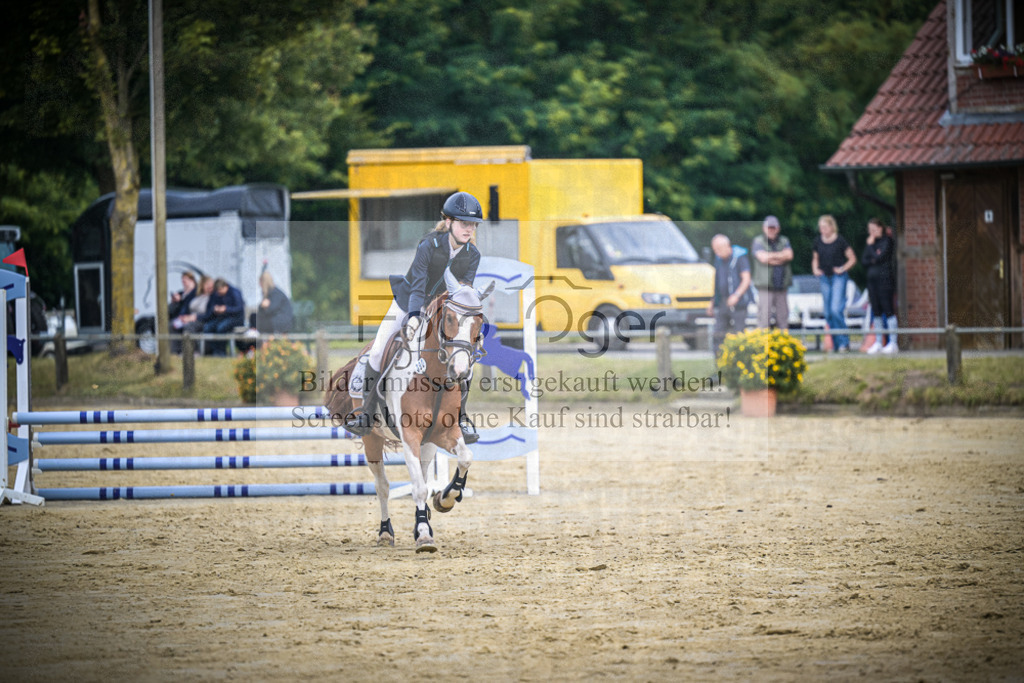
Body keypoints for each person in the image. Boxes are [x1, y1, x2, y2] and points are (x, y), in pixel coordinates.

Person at [345, 191, 483, 443]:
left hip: (442, 312)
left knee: (466, 360)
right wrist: (414, 316)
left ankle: (461, 416)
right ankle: (366, 413)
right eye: (464, 223)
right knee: (377, 352)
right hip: (408, 302)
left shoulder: (472, 255)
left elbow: (462, 293)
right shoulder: (428, 245)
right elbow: (418, 287)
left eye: (473, 224)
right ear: (449, 222)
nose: (469, 229)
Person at [812, 214, 857, 353]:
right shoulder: (818, 241)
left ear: (832, 227)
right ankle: (837, 345)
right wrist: (815, 269)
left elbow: (852, 258)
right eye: (821, 227)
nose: (822, 230)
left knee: (836, 310)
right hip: (825, 278)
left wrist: (842, 268)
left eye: (825, 227)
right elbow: (815, 258)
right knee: (828, 313)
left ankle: (844, 342)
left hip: (839, 277)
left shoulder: (840, 240)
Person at [706, 234, 751, 355]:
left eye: (718, 249)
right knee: (718, 334)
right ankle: (719, 366)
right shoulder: (719, 260)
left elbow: (746, 279)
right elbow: (716, 282)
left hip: (739, 303)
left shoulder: (740, 257)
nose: (717, 253)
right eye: (715, 250)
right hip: (722, 303)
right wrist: (712, 302)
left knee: (739, 335)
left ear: (727, 246)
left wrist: (736, 295)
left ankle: (740, 365)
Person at [750, 215, 794, 330]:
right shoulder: (758, 241)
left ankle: (783, 344)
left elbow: (789, 255)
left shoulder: (784, 240)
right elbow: (763, 258)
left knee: (783, 317)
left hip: (781, 285)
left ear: (778, 228)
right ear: (764, 228)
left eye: (773, 227)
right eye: (769, 227)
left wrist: (770, 257)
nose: (771, 230)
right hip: (766, 286)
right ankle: (763, 343)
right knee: (764, 317)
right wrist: (781, 256)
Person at [861, 218, 898, 354]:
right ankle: (878, 342)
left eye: (874, 229)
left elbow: (880, 257)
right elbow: (864, 261)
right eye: (870, 230)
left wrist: (871, 248)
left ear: (881, 228)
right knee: (875, 311)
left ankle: (893, 342)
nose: (872, 232)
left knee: (888, 309)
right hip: (872, 282)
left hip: (885, 280)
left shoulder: (887, 241)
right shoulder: (871, 243)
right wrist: (872, 253)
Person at [200, 277, 246, 356]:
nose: (219, 293)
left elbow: (239, 308)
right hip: (222, 317)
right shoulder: (216, 294)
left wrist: (226, 309)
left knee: (221, 327)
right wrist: (215, 309)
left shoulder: (235, 292)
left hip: (236, 318)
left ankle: (221, 352)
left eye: (220, 290)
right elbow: (211, 307)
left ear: (226, 286)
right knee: (207, 328)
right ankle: (215, 350)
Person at [249, 270, 294, 335]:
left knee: (256, 319)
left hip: (280, 321)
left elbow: (270, 310)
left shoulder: (275, 293)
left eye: (260, 282)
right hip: (274, 319)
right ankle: (254, 335)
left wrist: (264, 306)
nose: (259, 285)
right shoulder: (271, 293)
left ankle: (254, 336)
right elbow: (262, 311)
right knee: (254, 316)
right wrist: (262, 306)